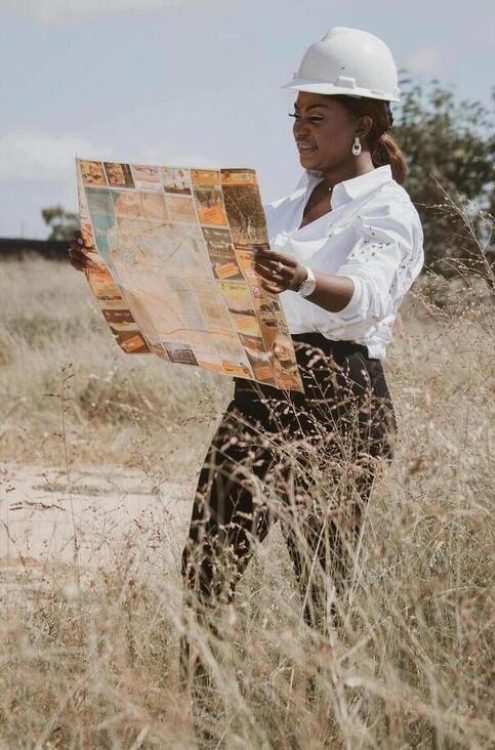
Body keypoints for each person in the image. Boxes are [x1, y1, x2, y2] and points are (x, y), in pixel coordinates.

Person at [69, 27, 424, 633]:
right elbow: (199, 278)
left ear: (362, 125)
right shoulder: (280, 210)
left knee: (322, 587)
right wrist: (107, 259)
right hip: (260, 391)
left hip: (341, 396)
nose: (299, 129)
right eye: (296, 115)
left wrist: (303, 279)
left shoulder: (388, 210)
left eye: (316, 116)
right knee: (205, 570)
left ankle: (327, 692)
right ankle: (204, 694)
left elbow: (366, 298)